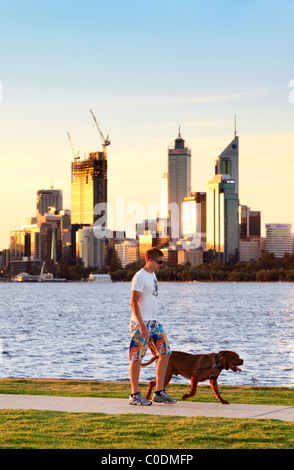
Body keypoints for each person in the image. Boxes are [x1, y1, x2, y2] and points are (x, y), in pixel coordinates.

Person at [128, 247, 177, 405]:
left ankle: (159, 392)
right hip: (140, 323)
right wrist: (142, 325)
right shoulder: (140, 277)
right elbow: (133, 303)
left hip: (154, 322)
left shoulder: (153, 275)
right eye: (159, 262)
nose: (161, 265)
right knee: (137, 357)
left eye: (163, 262)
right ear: (150, 260)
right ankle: (134, 395)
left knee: (166, 353)